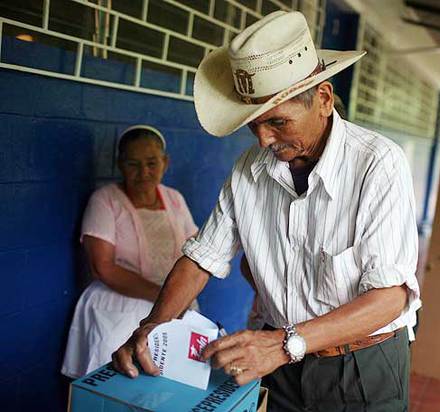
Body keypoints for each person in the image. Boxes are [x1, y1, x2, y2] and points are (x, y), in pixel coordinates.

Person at [113, 11, 420, 411]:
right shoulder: (249, 169)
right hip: (280, 365)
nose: (263, 139)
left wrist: (283, 343)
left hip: (361, 367)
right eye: (252, 124)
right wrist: (152, 326)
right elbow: (201, 258)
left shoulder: (378, 164)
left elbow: (390, 298)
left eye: (277, 121)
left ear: (323, 99)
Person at [61, 125, 199, 378]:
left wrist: (178, 298)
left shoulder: (175, 198)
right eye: (133, 164)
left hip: (172, 305)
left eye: (151, 163)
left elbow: (196, 251)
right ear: (120, 164)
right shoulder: (105, 200)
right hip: (117, 309)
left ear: (165, 163)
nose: (143, 172)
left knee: (167, 383)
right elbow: (104, 267)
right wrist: (165, 297)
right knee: (112, 383)